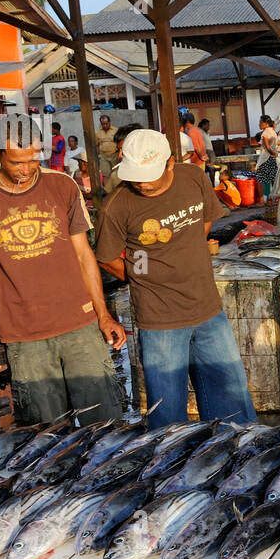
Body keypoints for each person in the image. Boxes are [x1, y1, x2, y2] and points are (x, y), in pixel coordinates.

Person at [94, 129, 255, 428]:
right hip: (159, 320)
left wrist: (184, 252)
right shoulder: (116, 207)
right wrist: (145, 277)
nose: (142, 183)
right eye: (135, 175)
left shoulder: (193, 177)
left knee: (231, 400)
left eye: (149, 174)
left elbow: (206, 218)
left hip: (208, 308)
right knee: (167, 412)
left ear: (170, 163)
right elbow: (106, 258)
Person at [0, 137, 125, 426]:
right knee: (45, 432)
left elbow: (84, 254)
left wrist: (103, 315)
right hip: (23, 335)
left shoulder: (62, 185)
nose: (26, 169)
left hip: (80, 325)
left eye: (33, 159)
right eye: (16, 162)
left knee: (104, 423)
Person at [95, 114, 119, 187]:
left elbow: (120, 143)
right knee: (105, 174)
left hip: (114, 155)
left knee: (116, 173)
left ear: (109, 122)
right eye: (103, 124)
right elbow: (96, 145)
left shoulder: (116, 130)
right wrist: (97, 156)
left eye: (106, 123)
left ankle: (116, 189)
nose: (105, 125)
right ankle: (108, 191)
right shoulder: (98, 132)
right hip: (103, 156)